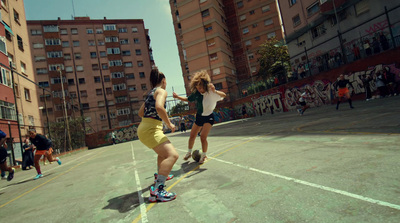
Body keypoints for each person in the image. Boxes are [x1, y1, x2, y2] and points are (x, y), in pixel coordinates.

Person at [137, 69, 179, 203]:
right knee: (172, 155)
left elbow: (140, 113)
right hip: (151, 129)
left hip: (145, 127)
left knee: (162, 154)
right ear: (163, 80)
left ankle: (159, 176)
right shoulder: (161, 91)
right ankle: (158, 190)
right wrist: (169, 124)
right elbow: (160, 107)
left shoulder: (150, 93)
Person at [173, 70, 226, 164]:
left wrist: (215, 91)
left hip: (209, 117)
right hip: (199, 116)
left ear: (205, 85)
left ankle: (204, 155)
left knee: (202, 137)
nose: (199, 90)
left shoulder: (211, 92)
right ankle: (189, 152)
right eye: (197, 88)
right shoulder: (197, 94)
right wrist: (177, 97)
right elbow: (188, 99)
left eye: (201, 88)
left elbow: (224, 95)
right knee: (192, 136)